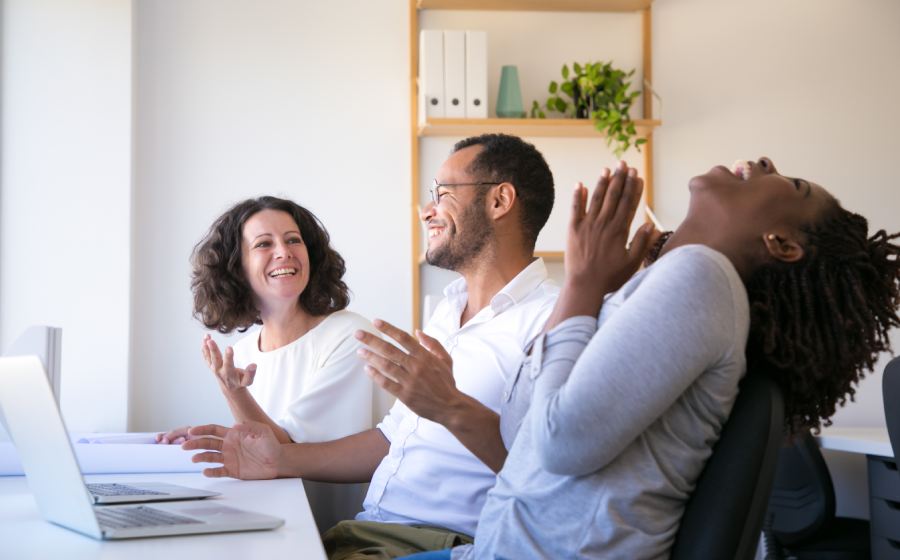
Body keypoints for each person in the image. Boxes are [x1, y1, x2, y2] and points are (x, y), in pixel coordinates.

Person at [395, 158, 900, 559]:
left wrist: (581, 283)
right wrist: (593, 296)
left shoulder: (703, 277)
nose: (765, 161)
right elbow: (519, 433)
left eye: (792, 184)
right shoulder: (664, 284)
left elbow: (558, 443)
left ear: (782, 243)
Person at [183, 134, 561, 559]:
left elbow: (553, 477)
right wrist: (277, 461)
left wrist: (450, 406)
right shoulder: (447, 312)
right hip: (369, 533)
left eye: (443, 194)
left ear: (499, 201)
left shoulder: (552, 323)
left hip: (444, 543)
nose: (427, 211)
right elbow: (389, 439)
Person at [156, 196, 392, 447]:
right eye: (264, 244)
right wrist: (212, 436)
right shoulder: (242, 353)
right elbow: (266, 444)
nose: (284, 252)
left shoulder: (351, 337)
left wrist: (234, 393)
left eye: (293, 240)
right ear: (237, 269)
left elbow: (291, 455)